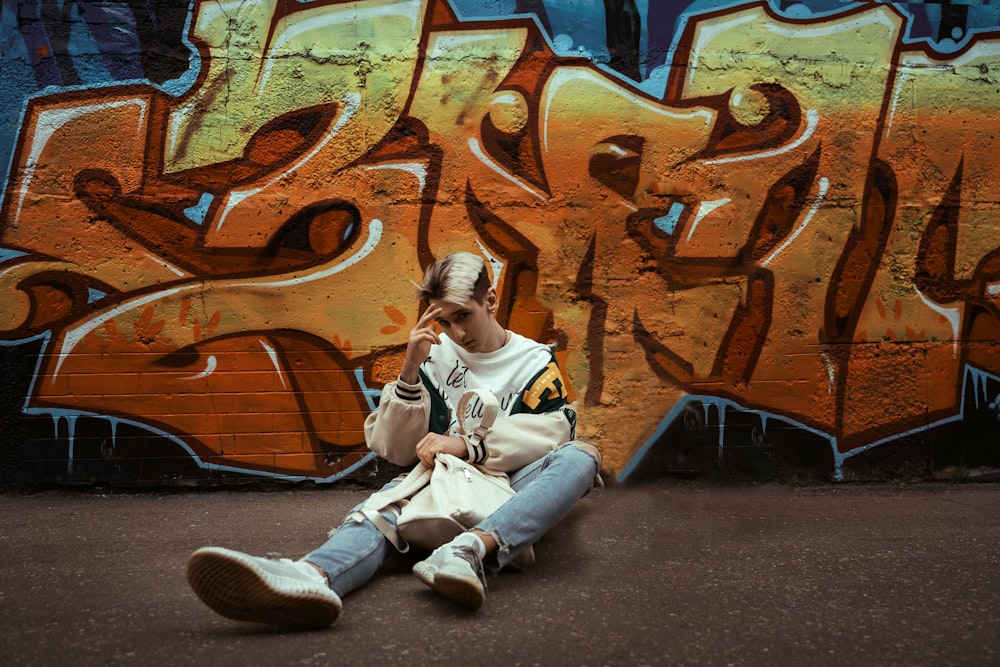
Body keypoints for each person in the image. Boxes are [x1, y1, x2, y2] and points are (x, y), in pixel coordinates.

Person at [186, 251, 601, 630]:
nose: (457, 332)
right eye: (444, 321)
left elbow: (554, 432)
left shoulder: (533, 361)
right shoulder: (435, 357)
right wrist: (408, 373)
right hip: (438, 483)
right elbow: (396, 450)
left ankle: (469, 551)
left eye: (464, 315)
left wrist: (469, 446)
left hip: (510, 491)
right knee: (379, 512)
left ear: (490, 301)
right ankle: (311, 576)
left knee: (581, 458)